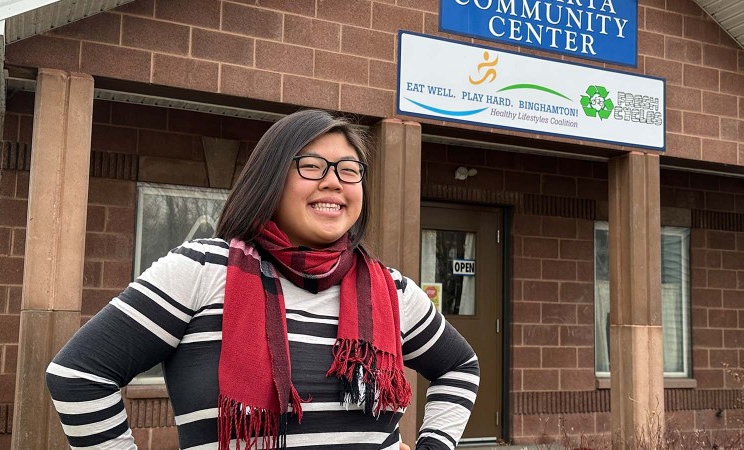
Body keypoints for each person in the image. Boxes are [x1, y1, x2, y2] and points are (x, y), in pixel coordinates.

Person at [46, 109, 479, 450]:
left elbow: (459, 367)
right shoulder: (202, 271)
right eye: (312, 166)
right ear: (270, 178)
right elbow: (78, 375)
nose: (333, 182)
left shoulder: (390, 289)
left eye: (349, 170)